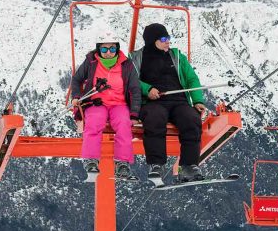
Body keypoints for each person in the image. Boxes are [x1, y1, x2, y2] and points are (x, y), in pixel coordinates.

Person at [129, 23, 208, 184]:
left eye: (168, 38)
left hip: (179, 101)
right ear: (152, 41)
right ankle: (156, 164)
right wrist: (147, 89)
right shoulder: (137, 58)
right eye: (164, 39)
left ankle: (188, 166)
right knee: (154, 118)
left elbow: (191, 78)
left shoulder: (176, 56)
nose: (168, 42)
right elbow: (131, 80)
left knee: (191, 119)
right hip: (153, 101)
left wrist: (197, 100)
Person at [70, 32, 142, 181]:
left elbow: (135, 89)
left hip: (119, 103)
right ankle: (91, 160)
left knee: (124, 124)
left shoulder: (126, 64)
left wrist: (134, 113)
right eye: (104, 49)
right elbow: (77, 79)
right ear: (98, 49)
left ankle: (122, 163)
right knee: (94, 122)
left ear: (117, 49)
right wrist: (76, 96)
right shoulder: (91, 62)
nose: (108, 53)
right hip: (96, 102)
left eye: (112, 49)